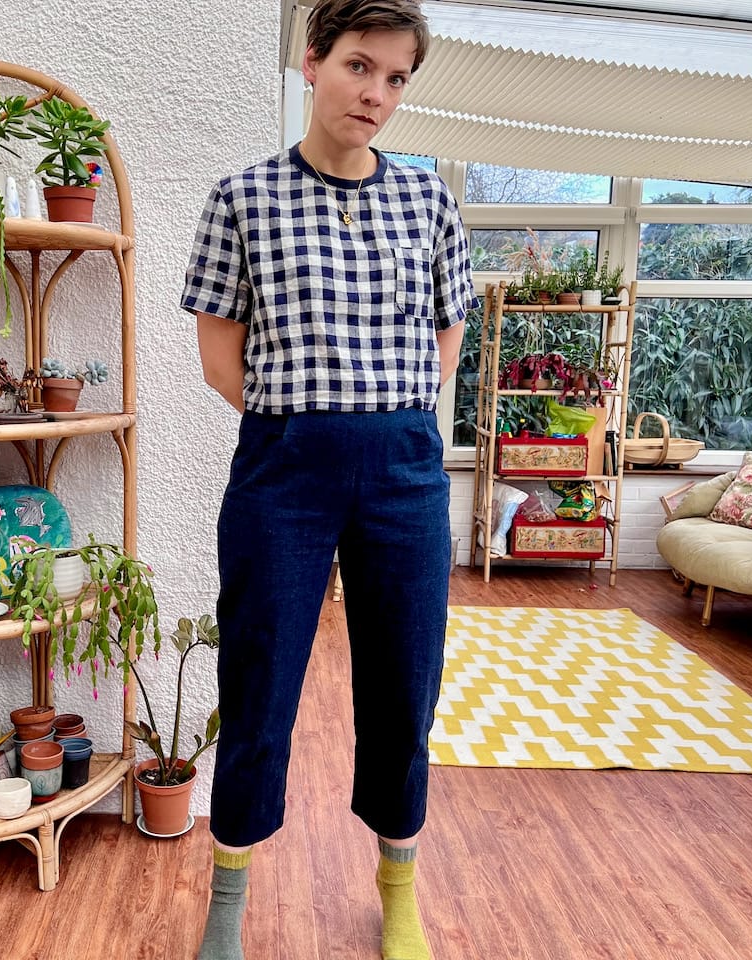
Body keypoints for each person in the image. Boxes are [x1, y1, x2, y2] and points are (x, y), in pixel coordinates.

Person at [179, 1, 474, 957]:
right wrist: (305, 417)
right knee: (259, 671)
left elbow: (447, 333)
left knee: (405, 680)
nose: (376, 94)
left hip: (403, 473)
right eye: (359, 66)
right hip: (285, 469)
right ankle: (229, 897)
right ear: (313, 64)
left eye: (395, 78)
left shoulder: (428, 200)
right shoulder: (243, 197)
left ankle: (398, 887)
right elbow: (221, 362)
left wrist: (396, 417)